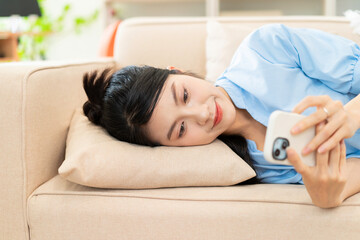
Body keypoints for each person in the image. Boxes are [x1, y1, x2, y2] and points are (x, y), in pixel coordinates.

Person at [83, 23, 360, 208]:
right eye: (180, 129)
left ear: (176, 70)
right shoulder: (253, 167)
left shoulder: (266, 48)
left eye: (185, 95)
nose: (202, 115)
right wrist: (331, 196)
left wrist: (352, 115)